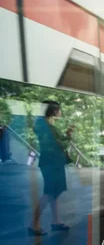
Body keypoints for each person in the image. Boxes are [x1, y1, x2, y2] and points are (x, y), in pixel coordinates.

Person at [29, 101, 72, 236]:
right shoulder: (46, 126)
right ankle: (33, 224)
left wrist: (66, 135)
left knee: (54, 192)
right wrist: (68, 138)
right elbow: (58, 144)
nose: (60, 112)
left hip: (51, 162)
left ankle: (56, 221)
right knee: (49, 193)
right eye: (59, 110)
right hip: (52, 163)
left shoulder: (44, 124)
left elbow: (56, 140)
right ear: (54, 111)